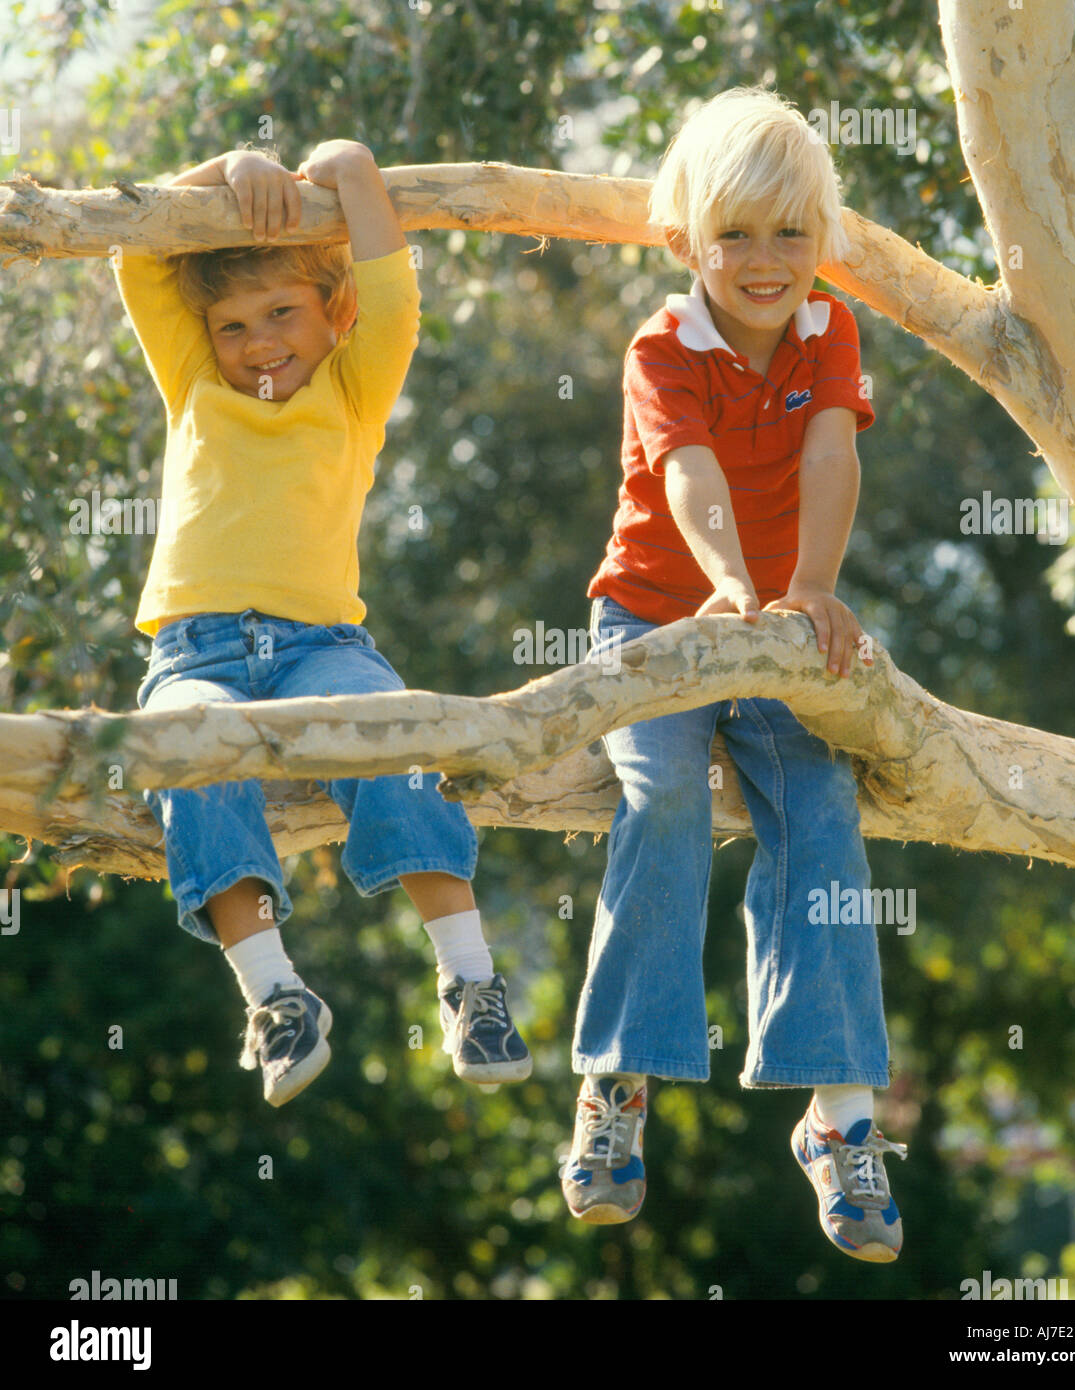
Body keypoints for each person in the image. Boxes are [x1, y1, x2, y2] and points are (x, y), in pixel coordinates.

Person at [562, 88, 908, 1261]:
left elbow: (830, 456)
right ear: (685, 245)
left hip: (775, 620)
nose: (767, 262)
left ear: (824, 238)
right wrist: (727, 586)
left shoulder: (831, 331)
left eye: (791, 234)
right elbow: (689, 479)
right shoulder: (664, 348)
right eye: (737, 235)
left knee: (819, 813)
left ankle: (841, 1116)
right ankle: (617, 1085)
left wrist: (805, 592)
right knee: (660, 799)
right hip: (661, 613)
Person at [113, 140, 530, 1106]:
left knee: (396, 741)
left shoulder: (353, 390)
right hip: (195, 657)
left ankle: (469, 981)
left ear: (333, 315)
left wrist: (347, 163)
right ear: (202, 335)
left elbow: (394, 291)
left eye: (282, 314)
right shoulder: (196, 387)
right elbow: (137, 253)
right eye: (233, 325)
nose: (259, 342)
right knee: (187, 751)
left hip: (321, 653)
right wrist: (228, 166)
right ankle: (276, 998)